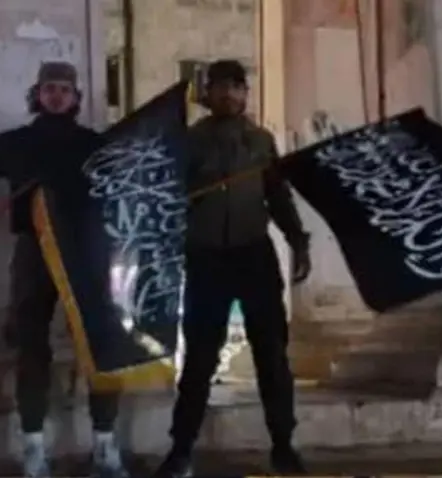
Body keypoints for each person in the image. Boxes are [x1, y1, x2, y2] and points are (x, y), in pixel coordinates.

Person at [0, 61, 129, 478]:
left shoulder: (95, 145)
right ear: (37, 95)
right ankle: (34, 449)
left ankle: (105, 445)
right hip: (35, 251)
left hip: (86, 253)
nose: (57, 96)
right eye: (49, 88)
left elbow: (121, 192)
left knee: (100, 344)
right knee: (31, 344)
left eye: (64, 90)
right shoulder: (13, 143)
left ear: (75, 98)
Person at [153, 59, 312, 478]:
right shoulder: (188, 142)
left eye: (235, 86)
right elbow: (166, 200)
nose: (228, 93)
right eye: (220, 86)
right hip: (206, 259)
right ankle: (180, 451)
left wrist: (298, 241)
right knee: (200, 358)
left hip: (254, 256)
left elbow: (277, 196)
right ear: (207, 94)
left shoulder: (261, 142)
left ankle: (283, 447)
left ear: (245, 93)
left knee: (272, 356)